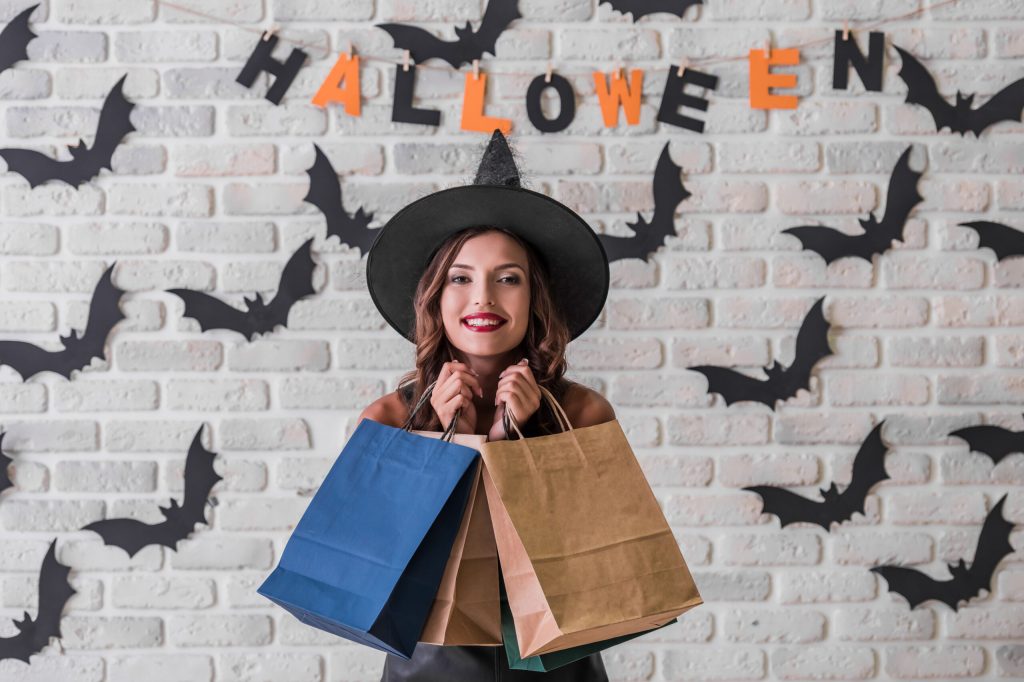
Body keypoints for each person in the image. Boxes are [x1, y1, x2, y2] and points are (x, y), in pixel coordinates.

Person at [357, 131, 616, 681]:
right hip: (428, 667)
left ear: (535, 298)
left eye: (508, 278)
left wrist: (508, 444)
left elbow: (599, 567)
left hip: (557, 666)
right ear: (435, 295)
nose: (483, 298)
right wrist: (444, 448)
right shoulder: (387, 419)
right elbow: (370, 570)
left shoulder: (584, 414)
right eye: (461, 277)